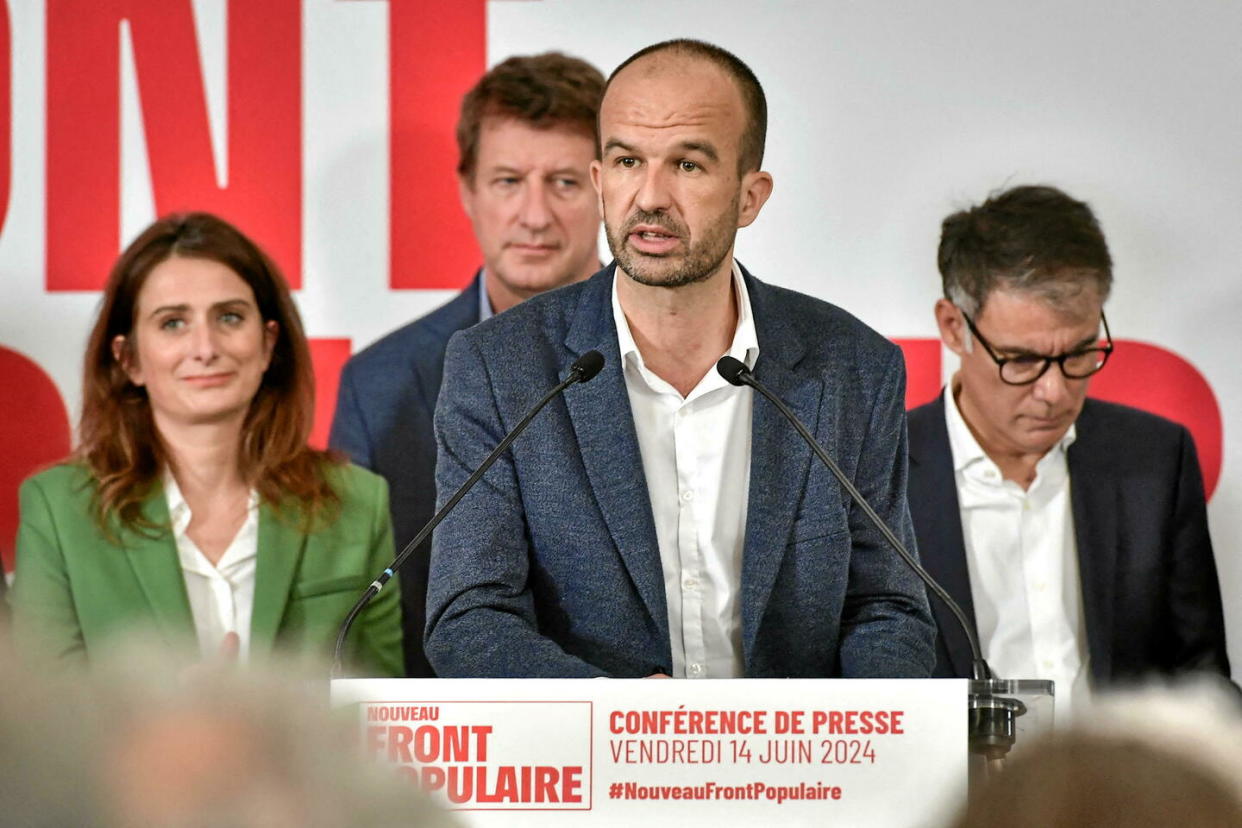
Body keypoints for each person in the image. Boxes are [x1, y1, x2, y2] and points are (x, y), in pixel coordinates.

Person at [424, 39, 935, 678]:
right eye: (627, 161)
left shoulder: (852, 366)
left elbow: (887, 607)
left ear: (751, 197)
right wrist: (631, 722)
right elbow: (469, 618)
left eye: (688, 165)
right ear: (598, 181)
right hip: (597, 765)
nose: (650, 197)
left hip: (796, 769)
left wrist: (830, 743)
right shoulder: (499, 368)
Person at [9, 213, 401, 674]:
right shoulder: (58, 511)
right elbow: (48, 723)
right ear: (129, 358)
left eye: (229, 317)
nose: (205, 347)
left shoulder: (357, 501)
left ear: (269, 343)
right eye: (173, 323)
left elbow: (380, 718)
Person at [329, 52, 605, 677]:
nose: (535, 216)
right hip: (448, 752)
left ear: (605, 189)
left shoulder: (676, 357)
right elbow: (359, 615)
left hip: (636, 730)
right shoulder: (379, 385)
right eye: (508, 181)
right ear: (468, 192)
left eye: (564, 183)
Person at [907, 185, 1230, 712]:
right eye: (1021, 359)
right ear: (952, 327)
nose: (1054, 392)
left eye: (1080, 353)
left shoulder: (1154, 460)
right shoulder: (870, 474)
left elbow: (1201, 682)